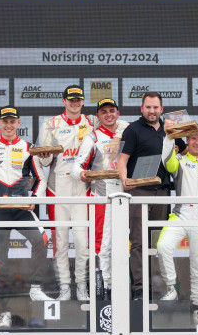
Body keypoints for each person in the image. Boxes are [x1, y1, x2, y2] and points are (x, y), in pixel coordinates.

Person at [39, 86, 127, 301]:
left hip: (82, 190)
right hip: (57, 189)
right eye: (71, 99)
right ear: (64, 101)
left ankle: (81, 286)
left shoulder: (91, 121)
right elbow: (44, 161)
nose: (75, 103)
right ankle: (64, 287)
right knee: (59, 243)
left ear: (82, 102)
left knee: (82, 242)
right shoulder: (50, 124)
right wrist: (44, 154)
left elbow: (119, 125)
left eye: (78, 99)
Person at [0, 106, 53, 326]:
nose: (9, 125)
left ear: (18, 123)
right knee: (0, 262)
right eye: (5, 121)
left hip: (22, 210)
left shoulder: (29, 147)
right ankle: (3, 312)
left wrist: (34, 201)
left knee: (42, 239)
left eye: (13, 121)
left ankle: (36, 288)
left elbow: (40, 179)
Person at [117, 92, 188, 300]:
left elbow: (188, 152)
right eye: (148, 107)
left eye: (155, 107)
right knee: (139, 242)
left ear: (162, 109)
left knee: (159, 244)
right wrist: (124, 180)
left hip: (162, 194)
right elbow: (122, 160)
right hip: (138, 192)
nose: (152, 111)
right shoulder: (132, 130)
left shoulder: (170, 129)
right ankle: (140, 288)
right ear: (142, 109)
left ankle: (163, 287)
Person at [156, 125, 198, 325]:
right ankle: (171, 289)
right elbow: (167, 160)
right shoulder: (180, 161)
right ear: (187, 141)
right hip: (181, 214)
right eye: (192, 139)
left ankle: (197, 311)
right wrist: (169, 137)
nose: (196, 142)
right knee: (163, 246)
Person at [71, 98, 123, 300]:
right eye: (104, 112)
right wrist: (82, 175)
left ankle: (121, 288)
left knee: (124, 244)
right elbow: (77, 166)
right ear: (98, 116)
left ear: (118, 113)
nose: (109, 114)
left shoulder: (127, 131)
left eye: (112, 110)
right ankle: (103, 290)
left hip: (127, 196)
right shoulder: (92, 137)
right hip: (102, 197)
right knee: (102, 244)